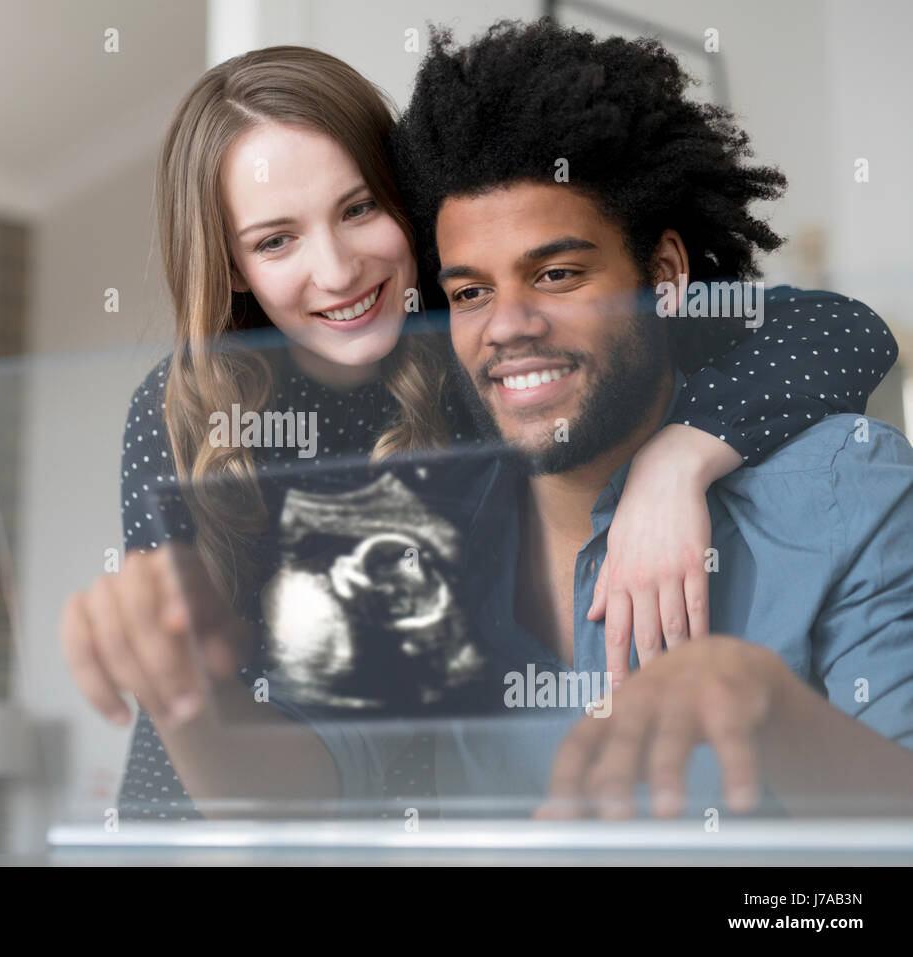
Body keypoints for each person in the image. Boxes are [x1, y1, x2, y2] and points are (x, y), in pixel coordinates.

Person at [58, 44, 898, 821]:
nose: (339, 269)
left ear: (406, 211)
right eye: (276, 239)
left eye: (358, 210)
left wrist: (679, 454)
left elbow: (838, 327)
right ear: (235, 265)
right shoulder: (191, 410)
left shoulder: (462, 374)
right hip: (218, 799)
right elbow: (280, 736)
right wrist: (179, 685)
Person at [370, 17, 913, 818]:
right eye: (471, 292)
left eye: (555, 273)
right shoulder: (420, 512)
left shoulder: (846, 490)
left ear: (664, 276)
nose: (507, 326)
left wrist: (770, 705)